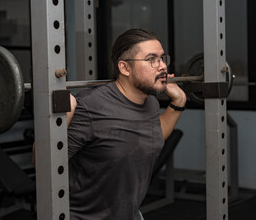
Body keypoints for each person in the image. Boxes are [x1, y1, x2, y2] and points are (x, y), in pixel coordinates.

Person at [67, 28, 186, 220]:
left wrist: (178, 104)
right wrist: (63, 117)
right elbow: (41, 164)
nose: (163, 66)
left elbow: (151, 137)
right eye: (151, 59)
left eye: (162, 58)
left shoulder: (151, 103)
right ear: (125, 68)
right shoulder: (90, 107)